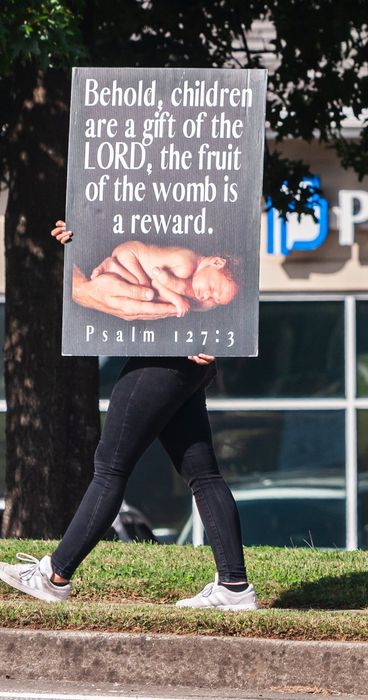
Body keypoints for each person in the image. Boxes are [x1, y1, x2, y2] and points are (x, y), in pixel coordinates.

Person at [0, 221, 257, 610]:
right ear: (214, 262)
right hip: (183, 365)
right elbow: (117, 211)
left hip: (165, 363)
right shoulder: (180, 245)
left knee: (110, 468)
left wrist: (212, 334)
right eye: (214, 289)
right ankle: (235, 587)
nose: (210, 298)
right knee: (203, 475)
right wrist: (81, 234)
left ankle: (55, 576)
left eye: (218, 301)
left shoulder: (199, 263)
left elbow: (208, 314)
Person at [88, 240, 241, 317]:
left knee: (139, 290)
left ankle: (112, 269)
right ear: (217, 262)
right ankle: (112, 266)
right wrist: (177, 300)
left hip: (132, 261)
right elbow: (158, 281)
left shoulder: (195, 273)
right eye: (213, 289)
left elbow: (200, 303)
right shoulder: (187, 264)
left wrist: (208, 303)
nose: (207, 295)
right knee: (143, 287)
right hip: (130, 255)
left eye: (214, 299)